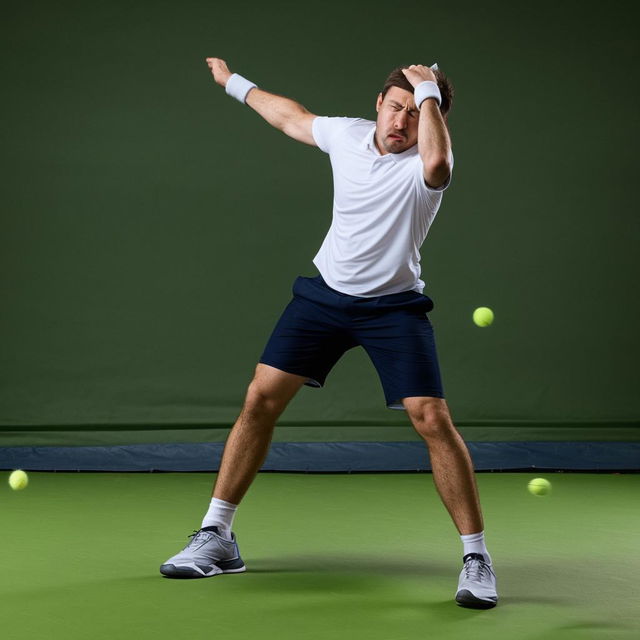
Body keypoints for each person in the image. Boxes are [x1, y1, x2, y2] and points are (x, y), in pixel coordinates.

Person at [159, 57, 498, 609]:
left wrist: (429, 92)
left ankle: (476, 557)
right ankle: (217, 535)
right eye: (395, 108)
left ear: (431, 118)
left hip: (393, 308)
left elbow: (437, 163)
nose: (400, 123)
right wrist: (233, 84)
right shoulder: (347, 136)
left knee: (432, 418)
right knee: (259, 398)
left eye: (415, 114)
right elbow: (291, 117)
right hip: (325, 297)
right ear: (378, 105)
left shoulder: (427, 163)